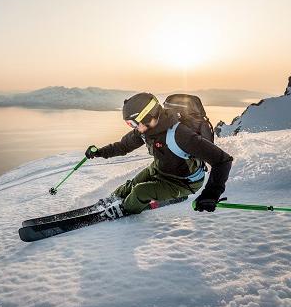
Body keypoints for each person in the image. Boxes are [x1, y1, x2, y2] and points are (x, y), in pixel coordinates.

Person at [85, 92, 233, 218]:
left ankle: (124, 209)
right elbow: (124, 146)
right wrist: (99, 152)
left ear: (148, 116)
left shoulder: (180, 134)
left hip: (183, 181)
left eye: (134, 123)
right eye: (130, 125)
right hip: (160, 169)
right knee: (132, 185)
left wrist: (211, 194)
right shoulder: (144, 131)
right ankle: (113, 200)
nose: (135, 128)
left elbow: (223, 160)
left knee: (140, 191)